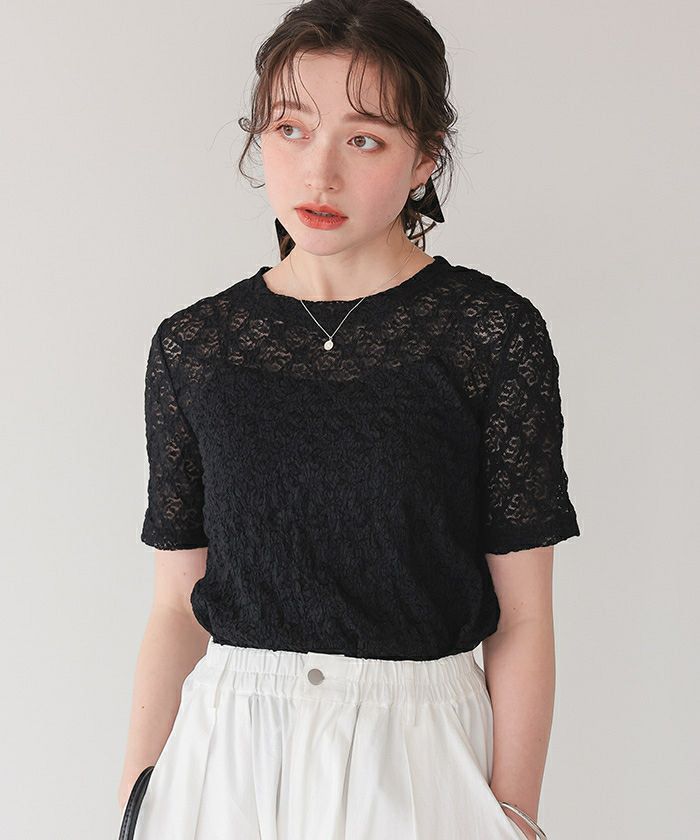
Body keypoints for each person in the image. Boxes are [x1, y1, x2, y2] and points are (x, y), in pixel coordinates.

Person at [117, 1, 580, 838]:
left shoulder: (489, 334)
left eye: (363, 139)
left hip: (420, 761)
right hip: (223, 761)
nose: (318, 174)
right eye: (290, 130)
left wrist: (515, 813)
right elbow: (176, 607)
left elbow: (523, 617)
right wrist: (134, 802)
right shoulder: (195, 346)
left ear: (424, 156)